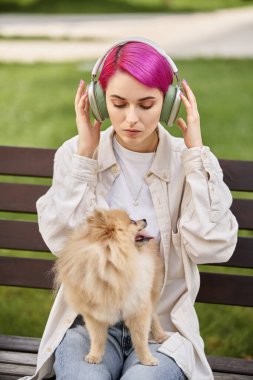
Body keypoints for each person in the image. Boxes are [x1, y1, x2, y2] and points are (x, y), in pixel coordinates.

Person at [20, 37, 238, 380]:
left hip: (161, 329)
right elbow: (62, 241)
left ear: (169, 103)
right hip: (89, 325)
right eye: (118, 103)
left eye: (147, 104)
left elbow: (213, 246)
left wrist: (196, 157)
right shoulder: (77, 155)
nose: (131, 119)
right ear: (98, 101)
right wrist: (85, 159)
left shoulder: (188, 162)